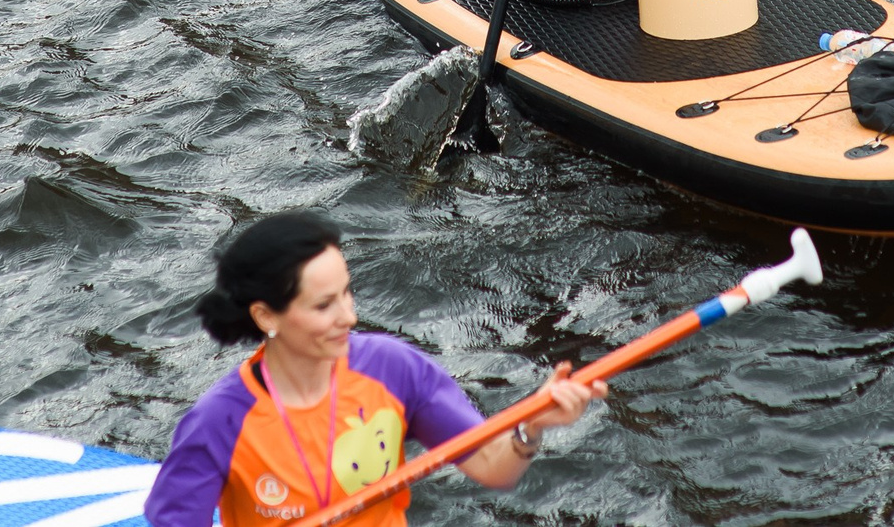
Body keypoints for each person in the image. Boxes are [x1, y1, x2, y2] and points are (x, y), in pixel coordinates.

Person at [146, 212, 605, 527]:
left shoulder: (393, 368)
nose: (348, 316)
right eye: (325, 305)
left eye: (347, 293)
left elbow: (493, 469)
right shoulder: (218, 423)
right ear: (267, 316)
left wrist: (531, 426)